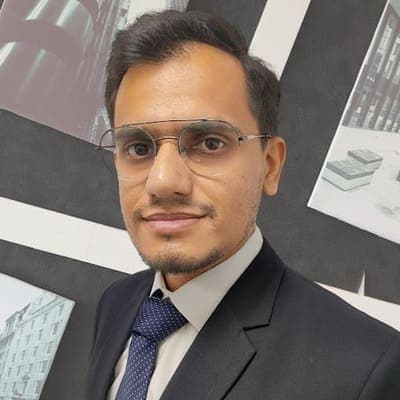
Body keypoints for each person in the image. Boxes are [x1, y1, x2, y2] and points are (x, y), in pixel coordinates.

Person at [86, 10, 400, 400]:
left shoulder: (366, 369)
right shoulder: (117, 303)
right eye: (138, 148)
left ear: (270, 166)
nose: (163, 182)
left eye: (209, 143)